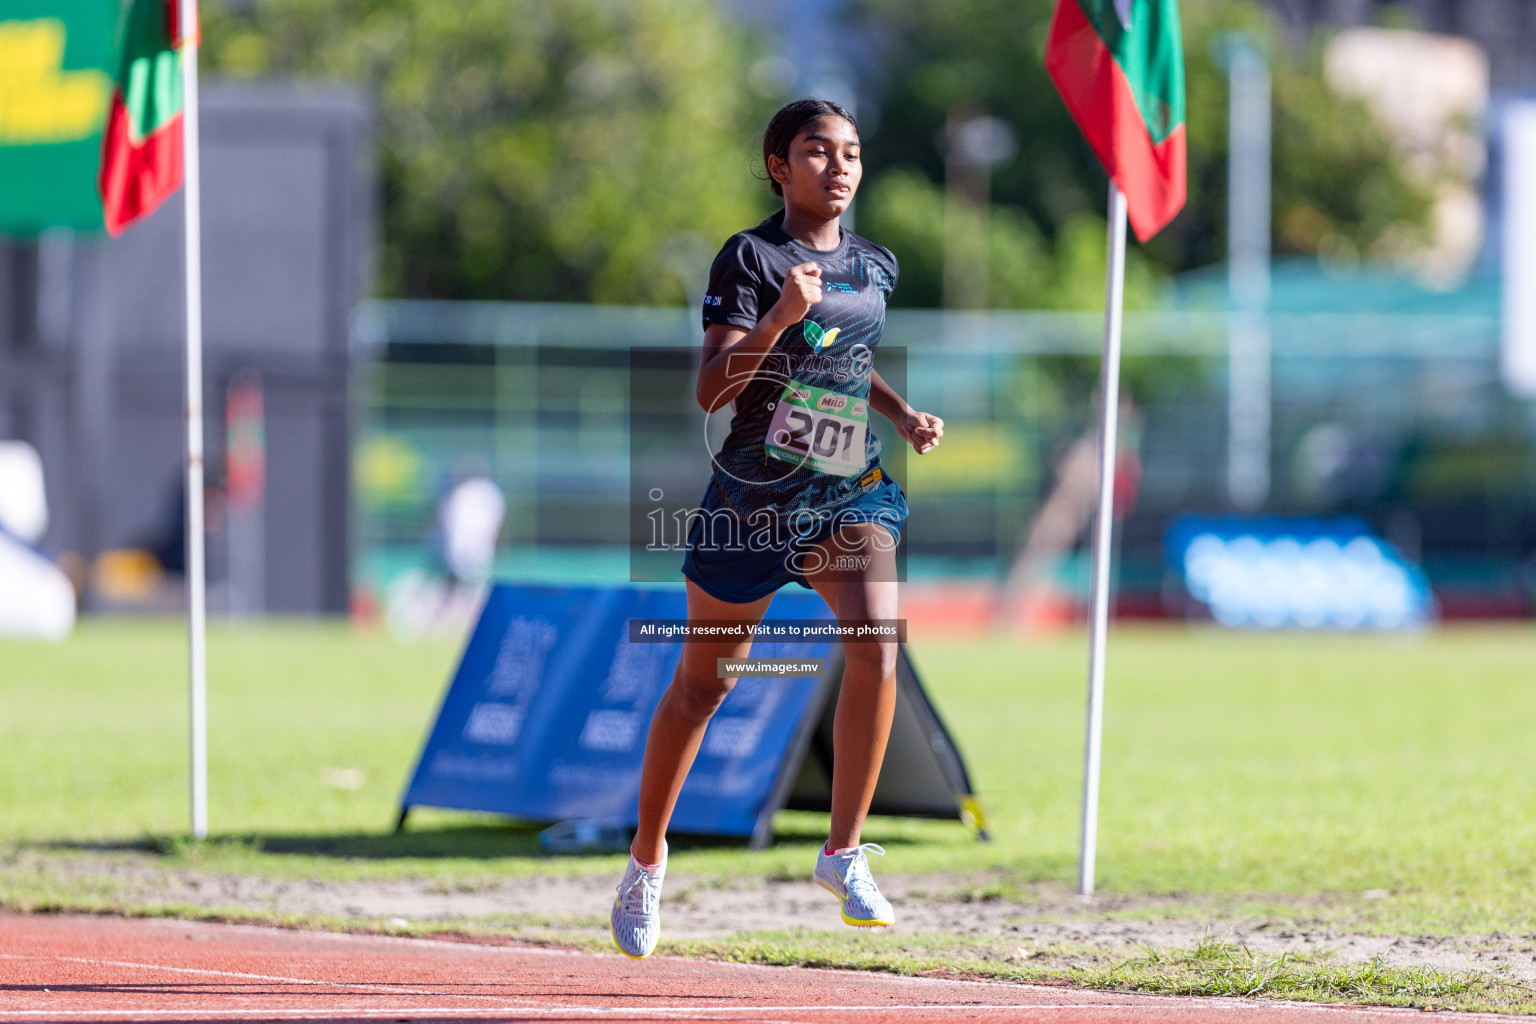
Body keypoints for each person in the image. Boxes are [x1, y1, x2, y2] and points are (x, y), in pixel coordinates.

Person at [610, 98, 944, 959]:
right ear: (778, 165)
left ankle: (841, 854)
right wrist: (778, 318)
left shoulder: (876, 264)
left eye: (852, 153)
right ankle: (646, 861)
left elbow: (846, 359)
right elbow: (713, 389)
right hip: (752, 504)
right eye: (817, 151)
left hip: (846, 493)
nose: (839, 166)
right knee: (703, 690)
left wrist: (901, 415)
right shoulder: (752, 258)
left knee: (876, 643)